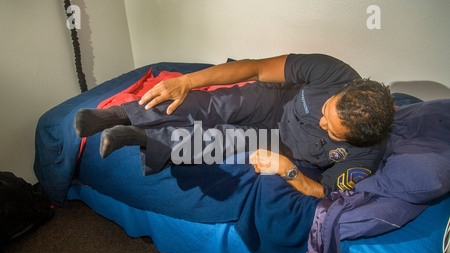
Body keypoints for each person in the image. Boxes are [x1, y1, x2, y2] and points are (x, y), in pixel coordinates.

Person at [74, 53, 395, 198]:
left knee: (226, 140)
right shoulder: (334, 72)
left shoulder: (363, 159)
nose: (322, 121)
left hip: (279, 142)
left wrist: (289, 171)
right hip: (274, 101)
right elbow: (255, 68)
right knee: (215, 103)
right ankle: (118, 115)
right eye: (326, 110)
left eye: (331, 129)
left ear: (355, 141)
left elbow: (323, 191)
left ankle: (141, 138)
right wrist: (187, 80)